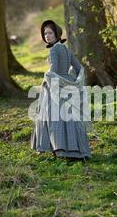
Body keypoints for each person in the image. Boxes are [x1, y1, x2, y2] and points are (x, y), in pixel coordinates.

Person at [30, 19, 92, 160]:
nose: (47, 36)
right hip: (68, 84)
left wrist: (47, 77)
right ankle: (75, 149)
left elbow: (53, 71)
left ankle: (58, 149)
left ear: (57, 33)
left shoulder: (54, 50)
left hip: (56, 86)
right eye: (45, 33)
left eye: (50, 33)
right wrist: (74, 82)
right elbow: (80, 69)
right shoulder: (66, 49)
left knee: (53, 117)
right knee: (70, 118)